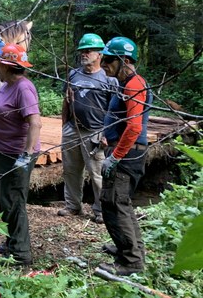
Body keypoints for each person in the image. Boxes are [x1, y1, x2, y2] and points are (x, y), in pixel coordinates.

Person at [98, 36, 152, 276]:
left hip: (127, 154)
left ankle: (130, 261)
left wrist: (115, 157)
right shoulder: (125, 83)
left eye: (108, 60)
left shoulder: (134, 85)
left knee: (115, 203)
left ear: (126, 61)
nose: (103, 65)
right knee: (119, 203)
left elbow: (134, 127)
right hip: (122, 150)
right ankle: (130, 248)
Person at [0, 43, 42, 266]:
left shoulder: (23, 88)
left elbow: (35, 123)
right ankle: (12, 242)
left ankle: (21, 253)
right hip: (1, 150)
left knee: (14, 201)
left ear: (6, 66)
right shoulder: (6, 85)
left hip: (16, 155)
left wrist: (26, 155)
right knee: (2, 199)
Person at [58, 33, 118, 224]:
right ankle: (72, 206)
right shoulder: (73, 74)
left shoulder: (108, 80)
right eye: (82, 51)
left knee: (97, 173)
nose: (84, 54)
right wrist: (64, 125)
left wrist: (108, 134)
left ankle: (100, 211)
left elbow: (114, 110)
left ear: (99, 54)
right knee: (70, 170)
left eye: (89, 50)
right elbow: (66, 100)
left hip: (95, 132)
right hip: (72, 129)